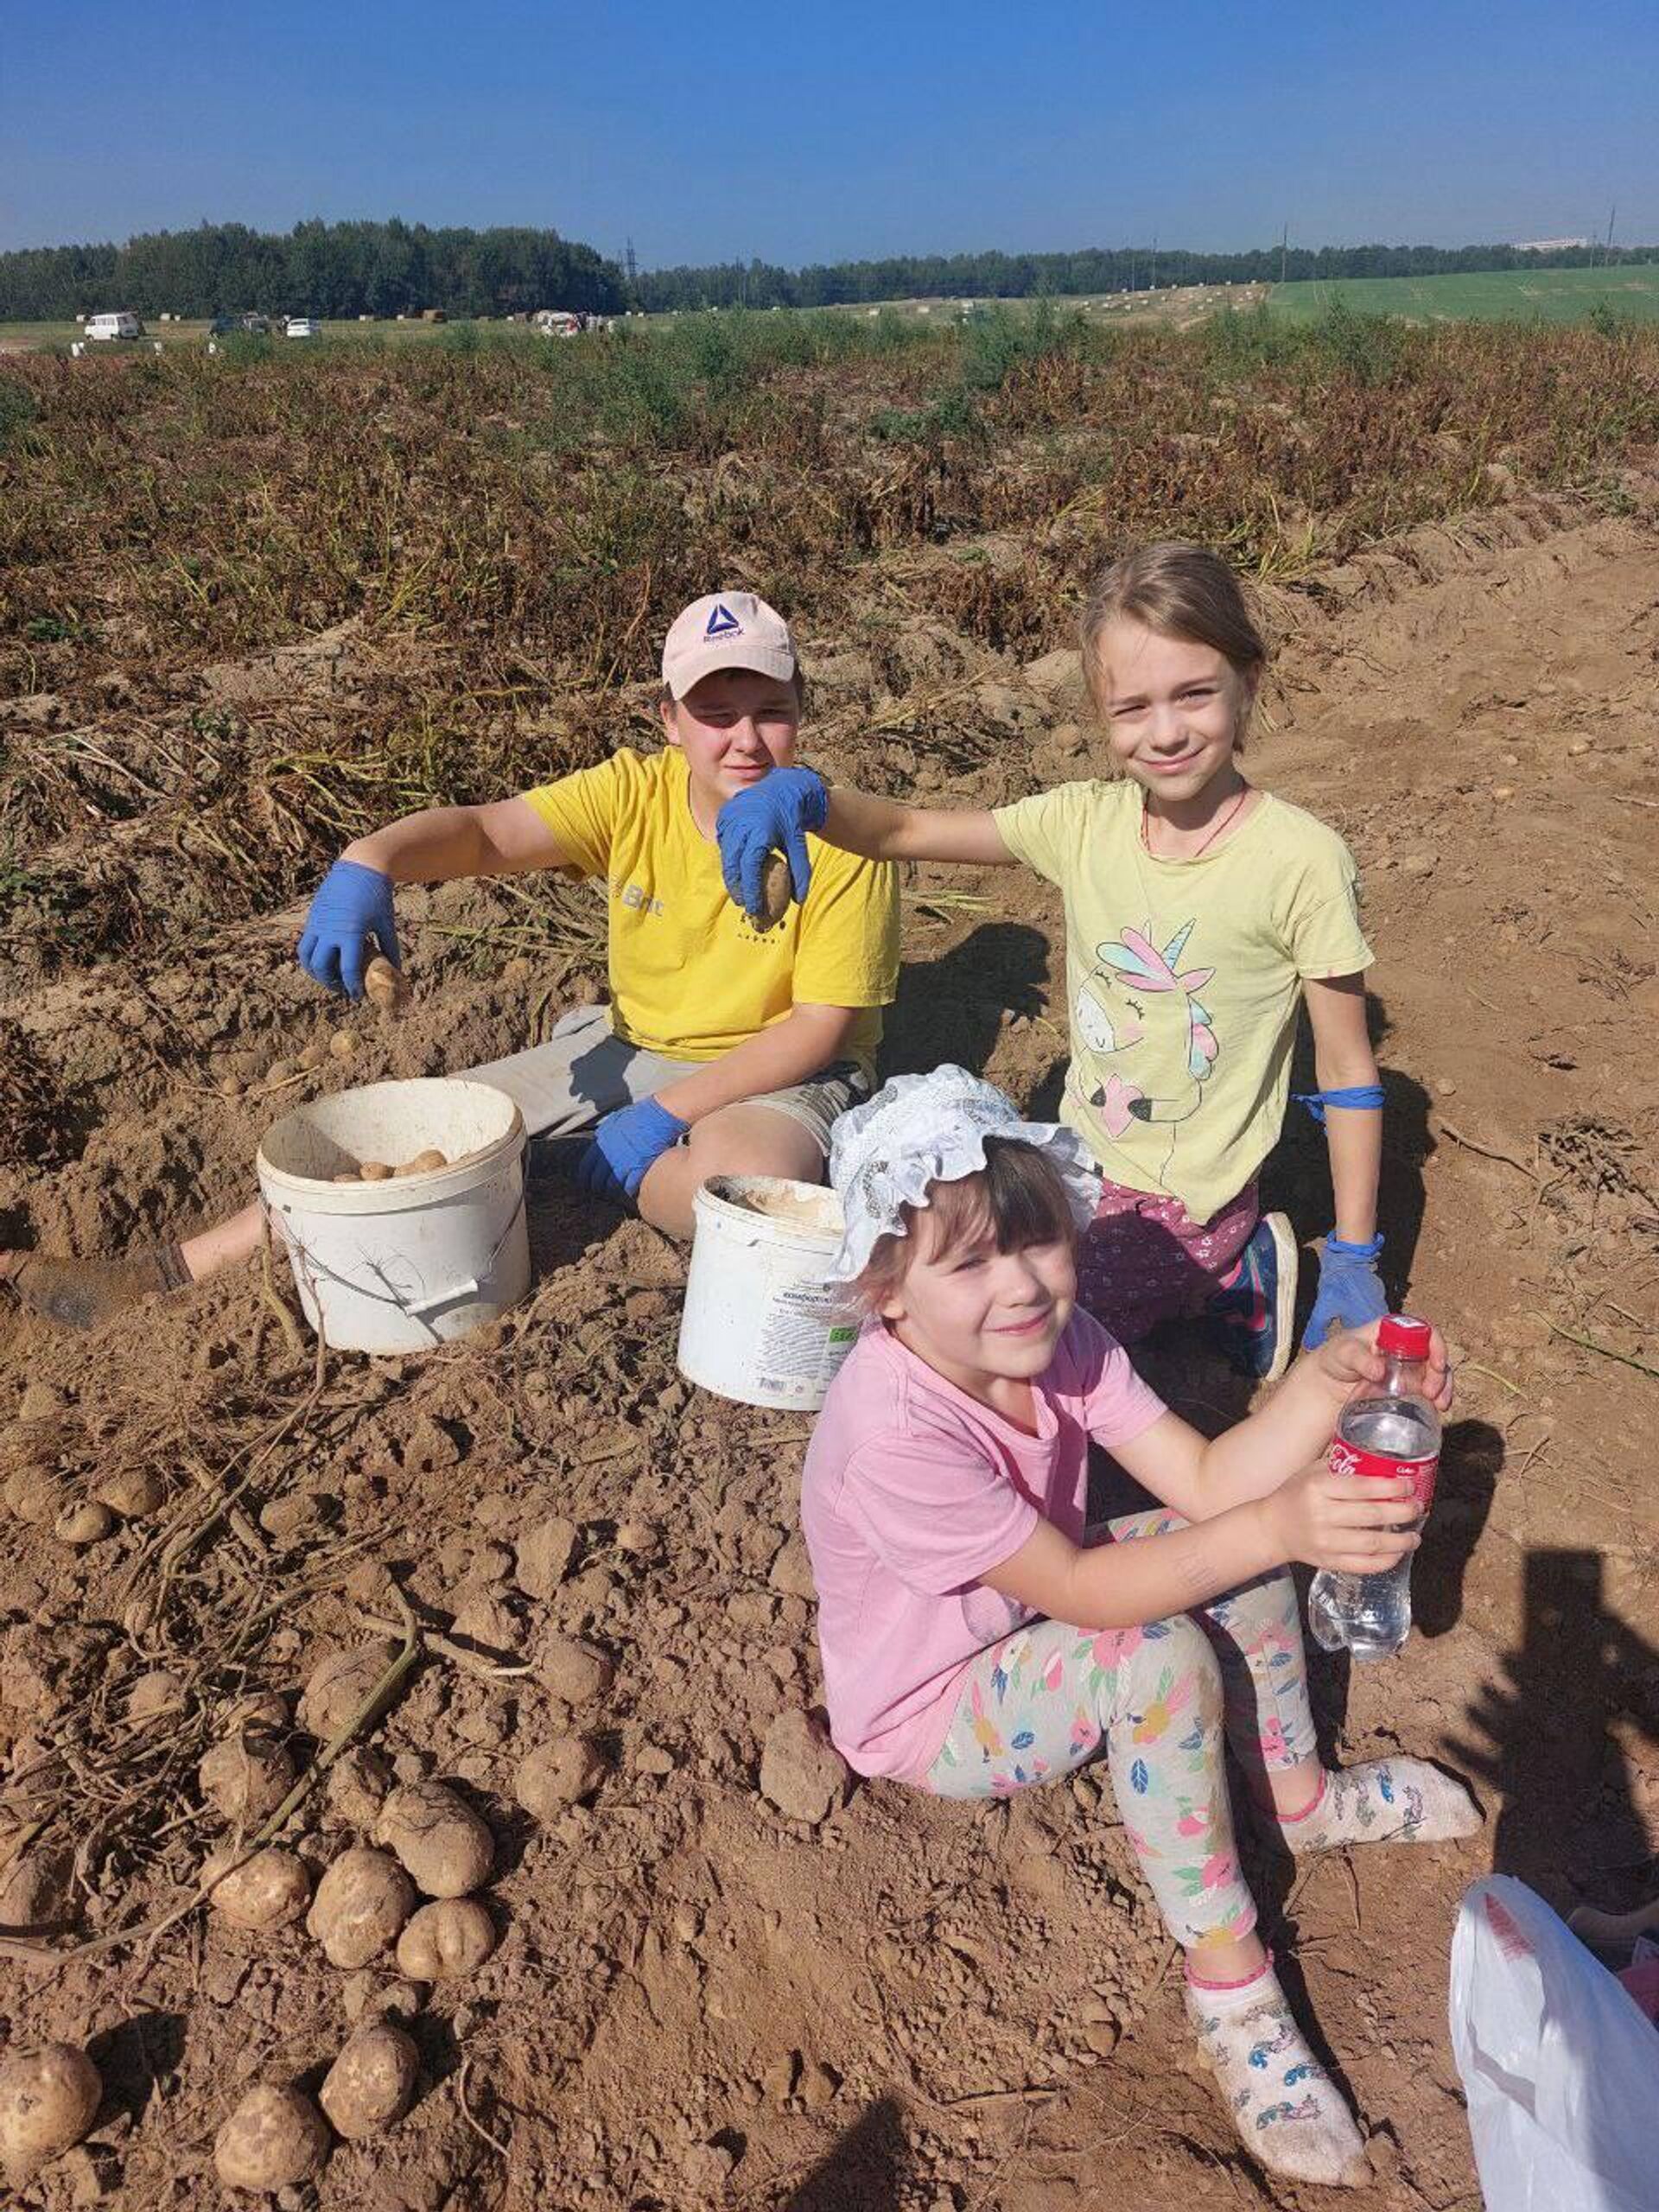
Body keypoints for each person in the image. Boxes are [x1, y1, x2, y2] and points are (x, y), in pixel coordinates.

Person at [804, 1067, 1478, 2188]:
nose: (1019, 1286)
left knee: (1229, 1560)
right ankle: (1228, 1977)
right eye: (967, 1262)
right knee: (1159, 1649)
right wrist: (1278, 1522)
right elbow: (1088, 1591)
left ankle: (1299, 1801)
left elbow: (1210, 1477)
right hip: (935, 1704)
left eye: (1038, 1243)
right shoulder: (892, 1430)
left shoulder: (1063, 1342)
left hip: (1034, 1606)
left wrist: (1321, 1385)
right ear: (886, 1291)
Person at [2, 593, 899, 1328]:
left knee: (724, 1189)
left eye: (770, 711)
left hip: (785, 1072)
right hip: (637, 1044)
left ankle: (565, 1166)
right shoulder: (633, 792)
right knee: (411, 1138)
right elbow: (487, 833)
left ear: (800, 713)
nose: (744, 739)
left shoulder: (844, 834)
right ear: (668, 720)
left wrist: (663, 1110)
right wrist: (371, 856)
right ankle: (164, 1273)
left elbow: (817, 1030)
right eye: (715, 713)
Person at [718, 543, 1388, 1382]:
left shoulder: (1300, 862)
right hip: (1077, 1162)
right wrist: (806, 794)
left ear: (1248, 682)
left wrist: (1358, 1250)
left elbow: (1347, 1065)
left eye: (1194, 695)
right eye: (1134, 706)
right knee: (932, 1238)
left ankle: (1230, 1274)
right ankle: (1206, 1287)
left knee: (1010, 1339)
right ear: (1099, 709)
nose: (1167, 730)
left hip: (1184, 1201)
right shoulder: (1086, 824)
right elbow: (904, 831)